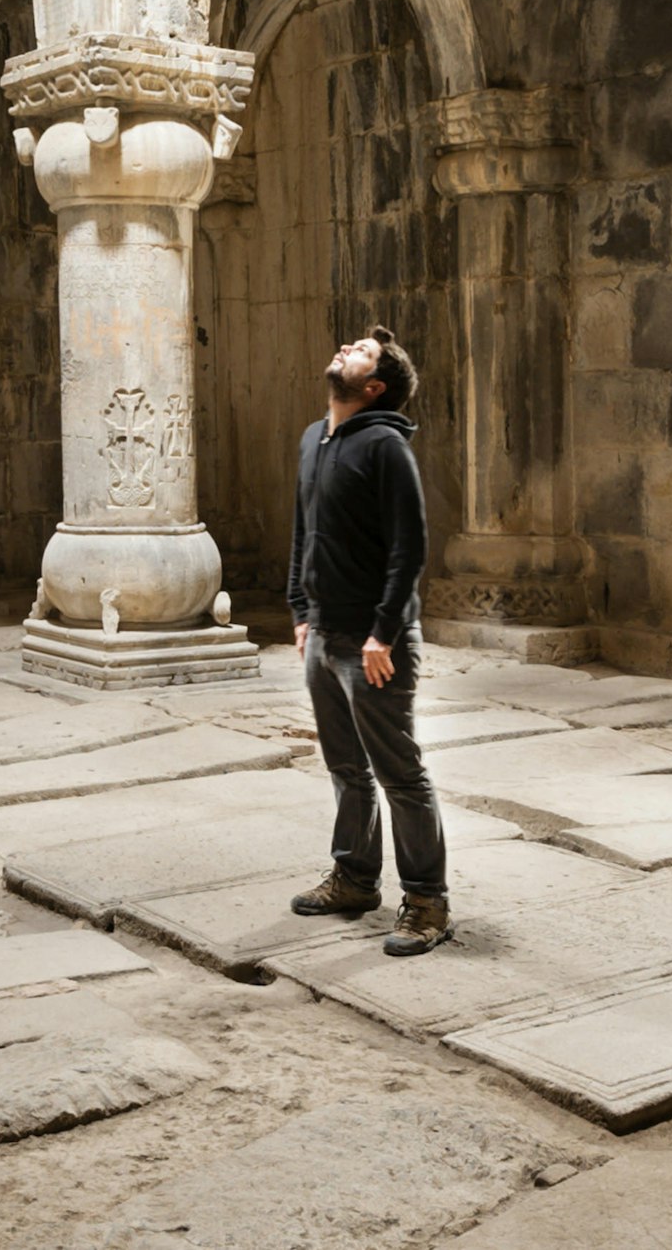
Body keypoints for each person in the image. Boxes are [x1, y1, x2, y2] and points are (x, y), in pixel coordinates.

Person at [284, 326, 449, 954]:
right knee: (345, 767)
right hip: (324, 633)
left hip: (375, 642)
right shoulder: (313, 439)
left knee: (399, 773)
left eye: (361, 353)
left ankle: (428, 903)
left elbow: (409, 550)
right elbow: (303, 528)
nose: (345, 350)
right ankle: (354, 879)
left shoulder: (385, 447)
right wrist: (301, 610)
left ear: (373, 385)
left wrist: (383, 633)